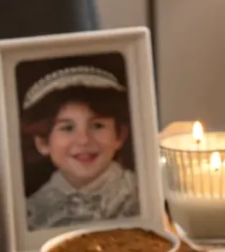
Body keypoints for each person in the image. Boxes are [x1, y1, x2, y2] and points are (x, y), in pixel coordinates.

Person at [20, 65, 140, 230]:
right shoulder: (33, 211)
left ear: (119, 136)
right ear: (43, 142)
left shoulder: (140, 194)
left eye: (97, 126)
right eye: (67, 128)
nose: (83, 140)